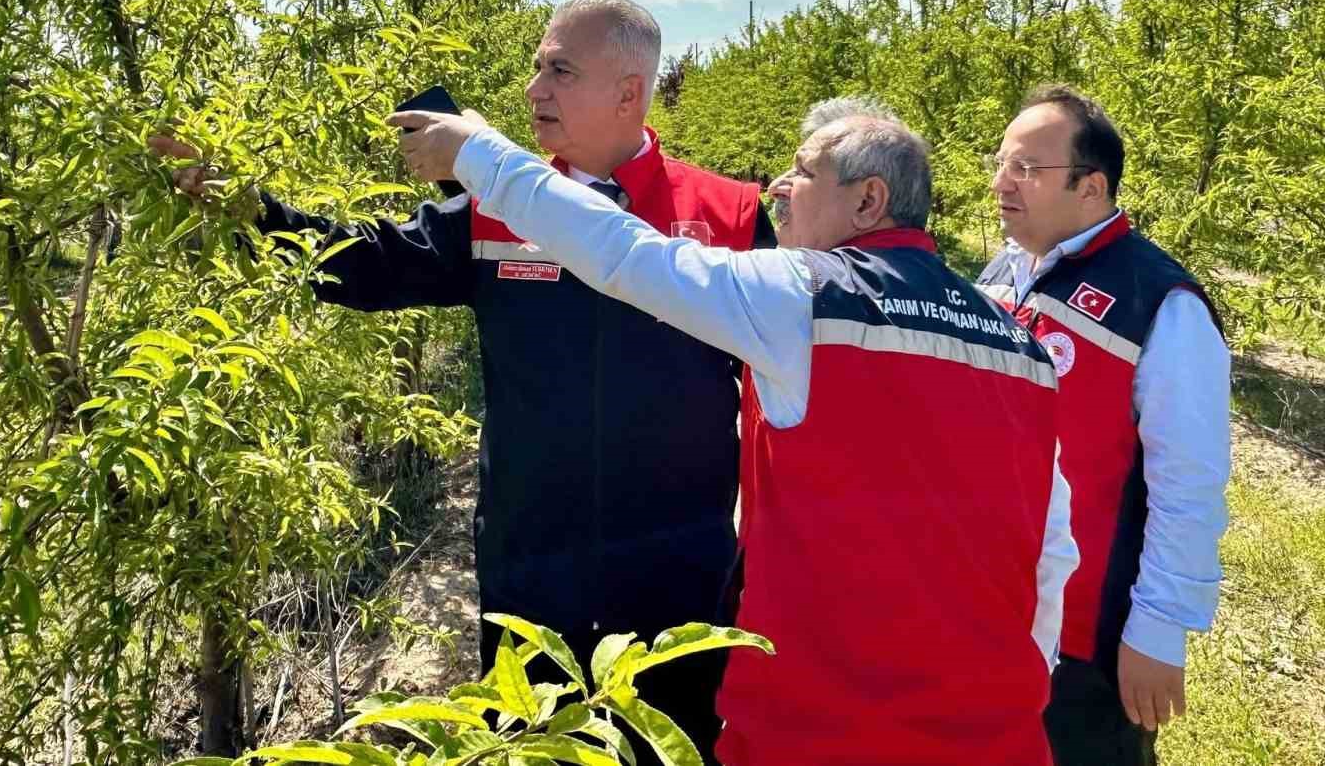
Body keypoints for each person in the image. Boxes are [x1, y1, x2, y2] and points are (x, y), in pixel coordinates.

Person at [153, 0, 774, 764]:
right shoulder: (492, 210)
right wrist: (245, 208)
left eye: (559, 69)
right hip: (532, 574)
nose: (532, 88)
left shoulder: (731, 216)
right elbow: (358, 263)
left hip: (679, 580)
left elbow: (788, 394)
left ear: (628, 91)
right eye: (537, 66)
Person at [391, 96, 1079, 766]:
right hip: (995, 733)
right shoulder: (1018, 345)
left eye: (805, 171)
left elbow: (624, 254)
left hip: (820, 728)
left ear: (869, 201)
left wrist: (478, 153)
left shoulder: (805, 297)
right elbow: (1053, 557)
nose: (780, 187)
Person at [976, 86, 1230, 766]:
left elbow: (1191, 485)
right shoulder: (1002, 273)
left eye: (1027, 168)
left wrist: (1160, 627)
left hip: (1087, 636)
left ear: (1091, 187)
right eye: (1001, 162)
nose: (1001, 182)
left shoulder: (1161, 302)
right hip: (990, 602)